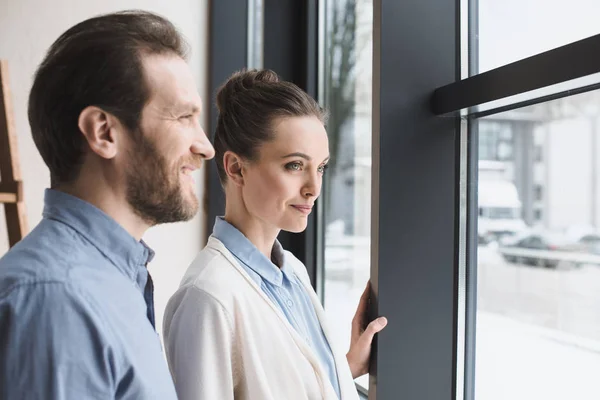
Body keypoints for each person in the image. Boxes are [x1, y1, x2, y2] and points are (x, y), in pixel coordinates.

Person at [0, 10, 215, 399]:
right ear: (103, 132)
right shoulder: (56, 300)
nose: (205, 146)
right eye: (184, 117)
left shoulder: (110, 281)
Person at [163, 69, 387, 400]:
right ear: (236, 168)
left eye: (321, 167)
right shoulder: (207, 297)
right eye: (295, 165)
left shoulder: (292, 272)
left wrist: (343, 369)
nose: (314, 188)